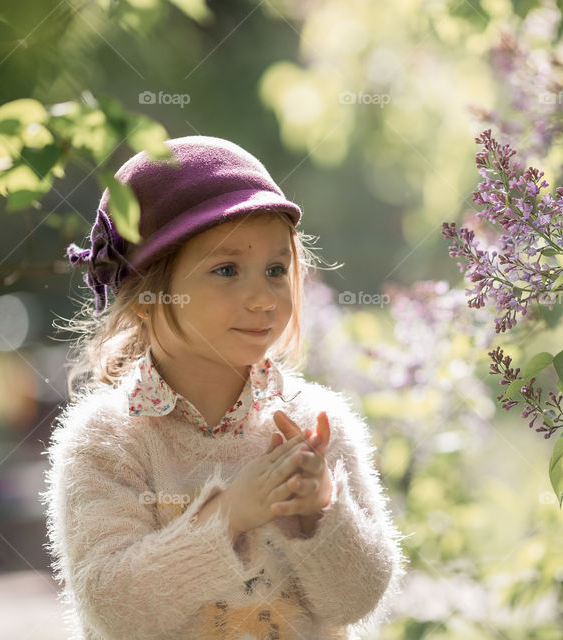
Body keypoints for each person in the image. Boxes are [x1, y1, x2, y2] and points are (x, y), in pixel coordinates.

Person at [40, 136, 408, 640]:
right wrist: (229, 515)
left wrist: (319, 513)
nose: (262, 298)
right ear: (146, 294)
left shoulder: (312, 426)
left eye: (276, 270)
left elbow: (357, 600)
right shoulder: (109, 441)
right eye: (226, 270)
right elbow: (115, 609)